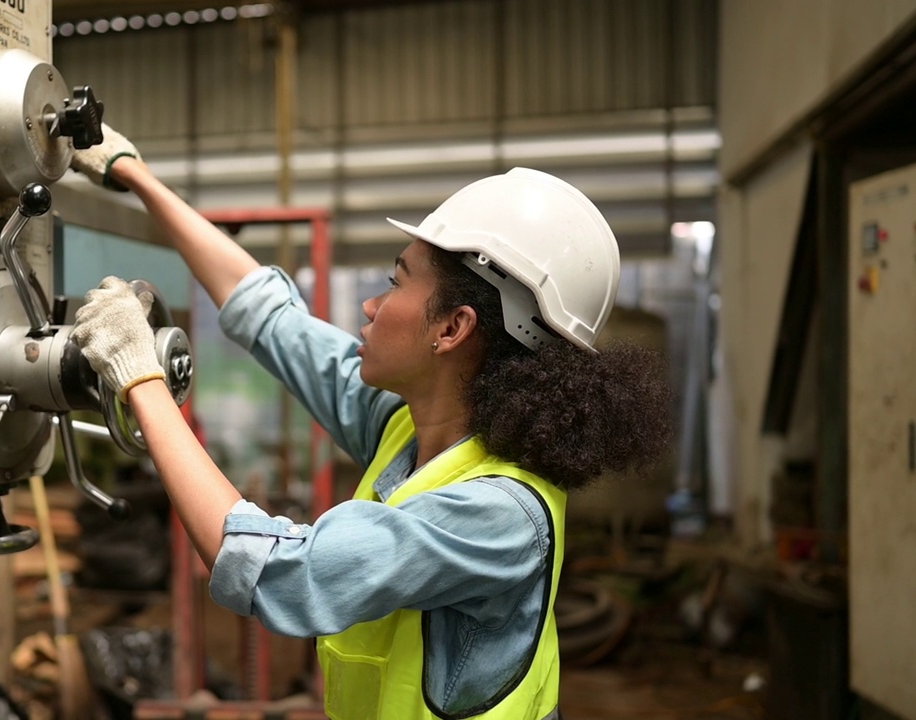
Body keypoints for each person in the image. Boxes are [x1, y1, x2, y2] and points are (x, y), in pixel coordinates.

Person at [67, 126, 672, 720]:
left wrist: (137, 376)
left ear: (451, 329)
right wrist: (133, 174)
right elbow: (268, 314)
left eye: (395, 283)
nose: (370, 307)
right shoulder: (409, 425)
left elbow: (278, 574)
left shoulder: (498, 517)